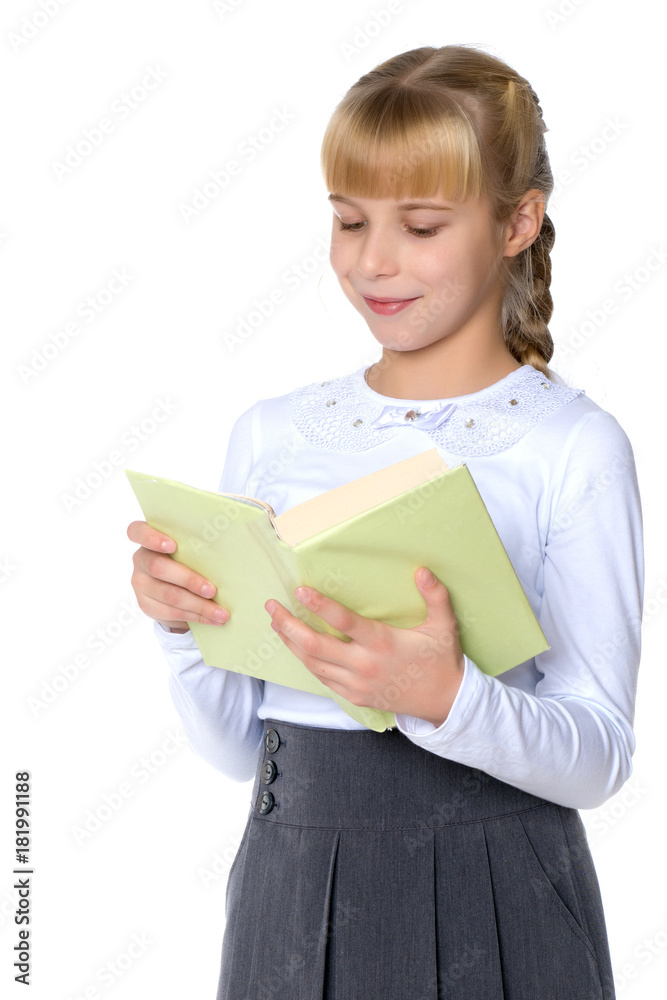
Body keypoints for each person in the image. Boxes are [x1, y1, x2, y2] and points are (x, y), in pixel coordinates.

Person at [127, 44, 643, 999]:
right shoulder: (273, 435)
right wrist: (183, 629)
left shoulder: (571, 446)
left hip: (500, 891)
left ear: (517, 222)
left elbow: (599, 756)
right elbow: (237, 751)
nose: (372, 260)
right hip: (289, 887)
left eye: (421, 225)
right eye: (349, 219)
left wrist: (445, 696)